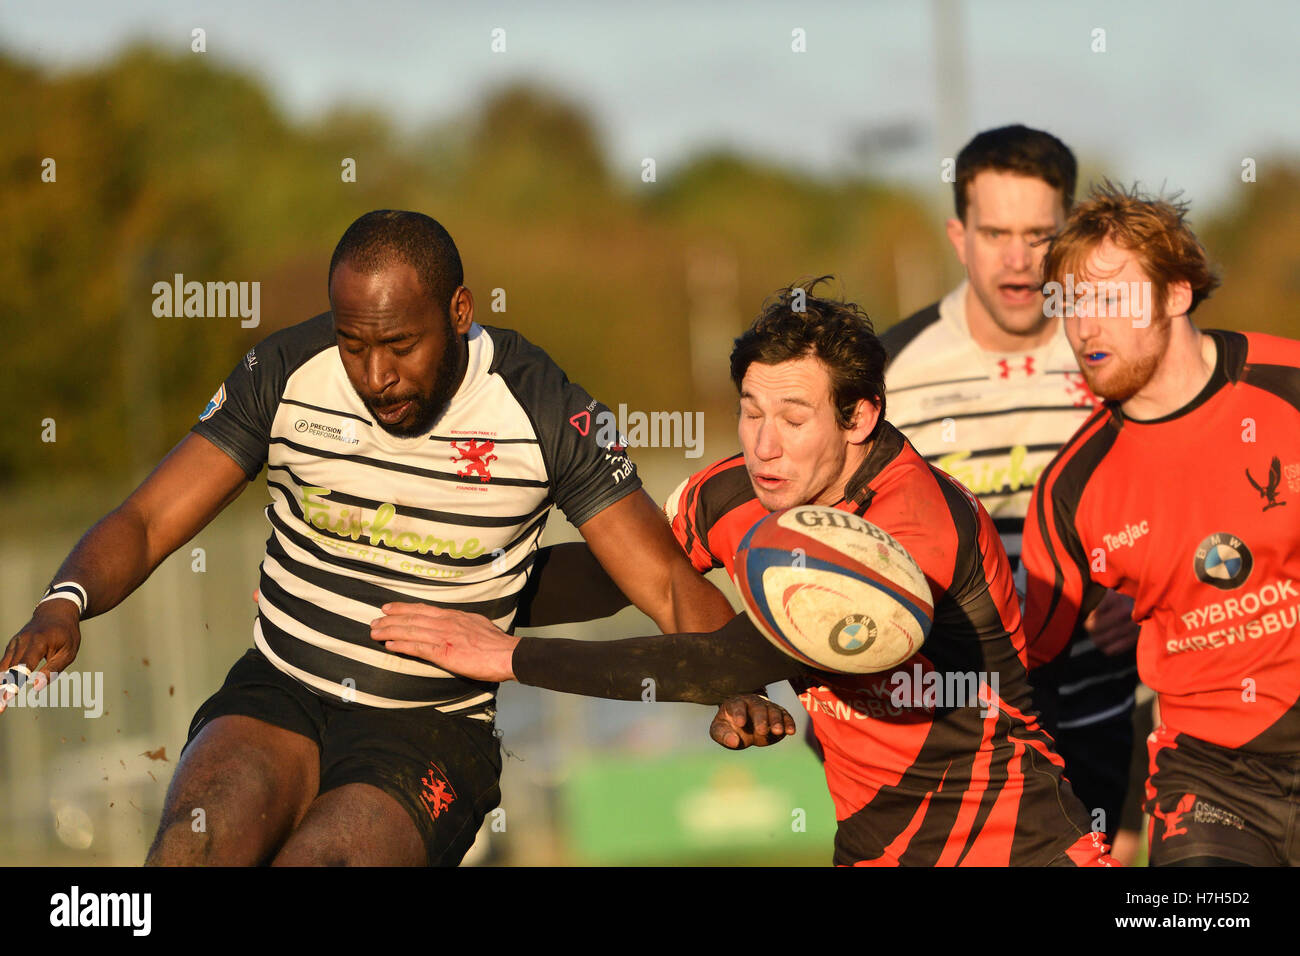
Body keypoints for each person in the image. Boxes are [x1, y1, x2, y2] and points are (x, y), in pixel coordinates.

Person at [0, 210, 739, 866]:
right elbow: (149, 518)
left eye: (401, 345)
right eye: (354, 345)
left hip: (429, 730)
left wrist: (732, 683)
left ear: (458, 310)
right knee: (196, 845)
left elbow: (665, 582)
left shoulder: (544, 409)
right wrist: (65, 601)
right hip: (282, 691)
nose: (377, 375)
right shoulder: (287, 371)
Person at [373, 280, 1116, 866]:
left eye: (793, 419)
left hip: (1021, 846)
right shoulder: (737, 491)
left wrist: (501, 655)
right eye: (749, 411)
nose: (763, 445)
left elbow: (722, 657)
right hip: (872, 850)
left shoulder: (913, 528)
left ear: (860, 419)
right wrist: (444, 585)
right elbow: (630, 574)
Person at [1021, 182, 1300, 866]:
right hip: (1209, 785)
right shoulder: (1071, 488)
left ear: (1177, 294)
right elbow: (1026, 676)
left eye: (1111, 300)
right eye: (1072, 305)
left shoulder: (1288, 386)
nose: (1086, 328)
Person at [881, 125, 1142, 849]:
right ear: (958, 236)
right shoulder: (887, 373)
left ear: (1068, 234)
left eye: (1038, 234)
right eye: (996, 232)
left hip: (1103, 705)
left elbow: (1184, 507)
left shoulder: (1123, 355)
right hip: (957, 717)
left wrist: (1145, 595)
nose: (1019, 259)